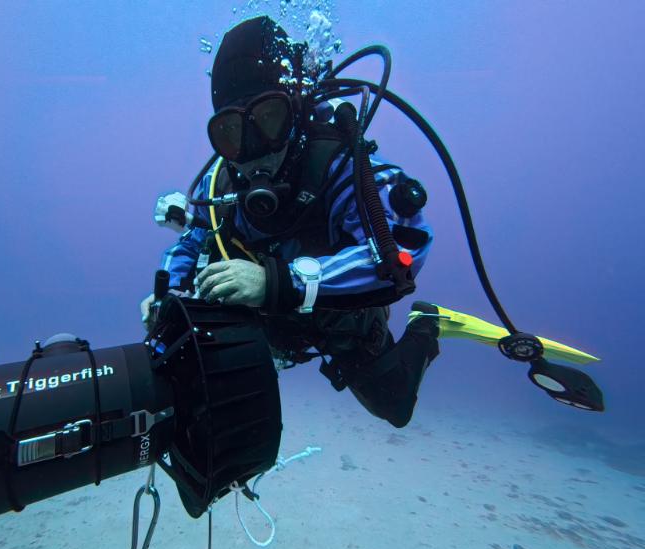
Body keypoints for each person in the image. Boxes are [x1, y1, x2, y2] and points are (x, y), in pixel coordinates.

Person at [140, 16, 601, 426]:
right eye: (232, 131)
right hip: (267, 314)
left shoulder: (340, 166)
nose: (254, 147)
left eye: (269, 118)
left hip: (338, 315)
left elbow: (404, 247)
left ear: (295, 110)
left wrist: (281, 282)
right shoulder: (221, 180)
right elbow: (193, 238)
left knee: (394, 405)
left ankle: (427, 324)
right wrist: (169, 293)